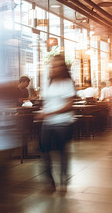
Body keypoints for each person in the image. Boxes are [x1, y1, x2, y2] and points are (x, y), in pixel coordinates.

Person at [35, 55, 75, 191]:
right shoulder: (48, 82)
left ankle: (63, 179)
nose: (54, 68)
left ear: (63, 67)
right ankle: (49, 180)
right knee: (44, 151)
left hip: (63, 123)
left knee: (62, 151)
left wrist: (49, 113)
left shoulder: (67, 82)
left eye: (57, 65)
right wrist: (44, 111)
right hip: (48, 122)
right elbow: (47, 102)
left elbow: (69, 105)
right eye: (52, 65)